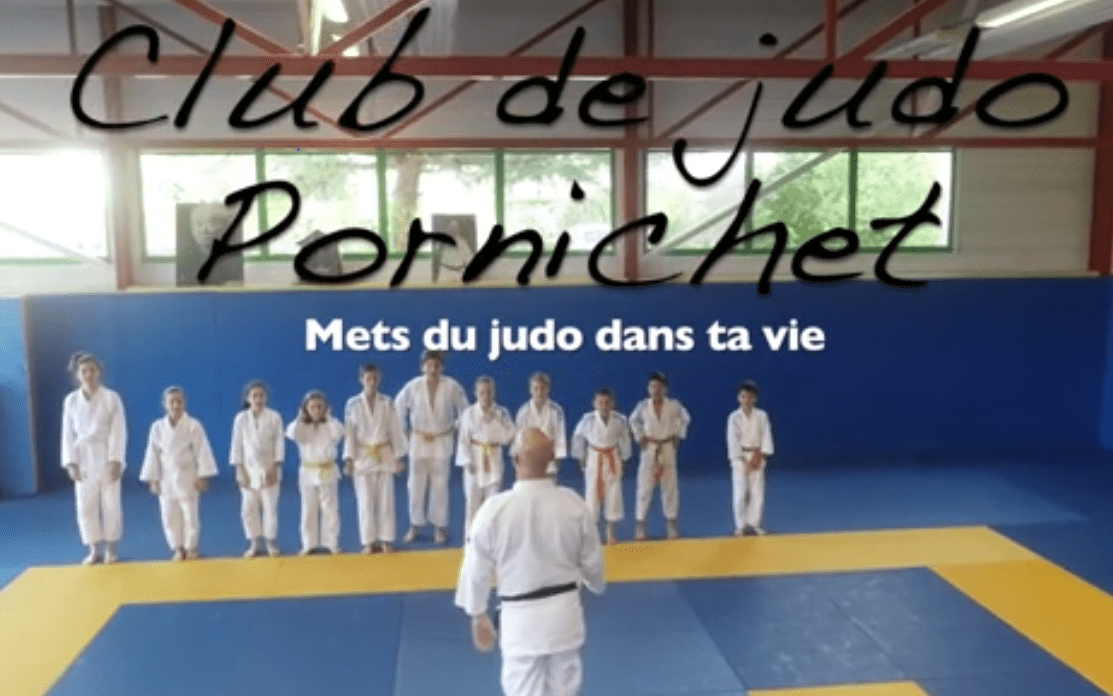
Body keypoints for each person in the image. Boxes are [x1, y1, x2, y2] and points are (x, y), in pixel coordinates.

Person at [454, 427, 606, 696]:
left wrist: (478, 614)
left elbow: (476, 570)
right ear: (551, 460)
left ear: (516, 460)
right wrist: (595, 584)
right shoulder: (574, 504)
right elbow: (593, 563)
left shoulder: (493, 511)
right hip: (564, 618)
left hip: (521, 625)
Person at [395, 350, 469, 545]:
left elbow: (465, 411)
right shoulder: (413, 386)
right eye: (429, 365)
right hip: (418, 440)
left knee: (440, 485)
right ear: (423, 367)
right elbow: (398, 408)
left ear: (442, 367)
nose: (433, 369)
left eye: (436, 365)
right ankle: (415, 524)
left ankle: (439, 527)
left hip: (442, 441)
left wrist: (455, 427)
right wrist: (404, 432)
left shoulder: (452, 386)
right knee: (415, 485)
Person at [61, 352, 127, 565]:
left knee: (111, 504)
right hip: (83, 458)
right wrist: (71, 463)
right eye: (84, 371)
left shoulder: (111, 398)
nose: (88, 374)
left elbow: (118, 431)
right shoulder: (71, 401)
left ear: (98, 372)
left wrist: (116, 459)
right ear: (78, 375)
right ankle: (94, 549)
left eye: (92, 370)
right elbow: (67, 434)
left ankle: (111, 549)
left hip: (105, 454)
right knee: (85, 505)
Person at [139, 386, 219, 561]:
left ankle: (191, 547)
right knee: (169, 516)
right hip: (166, 478)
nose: (176, 405)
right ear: (165, 404)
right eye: (172, 402)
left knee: (190, 515)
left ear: (184, 403)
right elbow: (152, 453)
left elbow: (202, 451)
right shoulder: (157, 427)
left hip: (188, 476)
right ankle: (177, 547)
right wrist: (153, 479)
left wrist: (202, 475)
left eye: (179, 401)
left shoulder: (194, 425)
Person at [343, 364, 408, 554]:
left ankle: (386, 540)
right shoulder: (353, 404)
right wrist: (349, 458)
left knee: (386, 500)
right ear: (361, 380)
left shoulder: (388, 402)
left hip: (384, 455)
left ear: (379, 380)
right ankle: (369, 541)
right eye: (368, 378)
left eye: (375, 378)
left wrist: (398, 456)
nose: (372, 382)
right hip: (363, 457)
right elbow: (350, 434)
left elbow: (395, 430)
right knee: (365, 501)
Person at [629, 373, 691, 541]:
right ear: (649, 389)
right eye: (653, 387)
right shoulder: (643, 406)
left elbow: (685, 418)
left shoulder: (674, 405)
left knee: (670, 487)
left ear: (665, 389)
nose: (656, 390)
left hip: (667, 447)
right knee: (644, 487)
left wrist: (678, 434)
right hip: (649, 449)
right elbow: (633, 421)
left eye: (659, 387)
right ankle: (640, 524)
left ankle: (671, 524)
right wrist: (639, 436)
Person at [456, 376, 516, 541]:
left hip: (494, 459)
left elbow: (510, 435)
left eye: (489, 392)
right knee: (472, 503)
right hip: (475, 461)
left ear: (494, 393)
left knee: (493, 503)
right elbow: (463, 440)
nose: (486, 396)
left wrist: (495, 420)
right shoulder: (468, 413)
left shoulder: (501, 413)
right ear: (476, 393)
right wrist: (467, 461)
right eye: (482, 392)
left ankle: (491, 540)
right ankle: (470, 539)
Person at [230, 380, 285, 558]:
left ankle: (270, 542)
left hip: (269, 468)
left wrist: (275, 466)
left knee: (270, 507)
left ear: (266, 398)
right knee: (249, 508)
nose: (258, 399)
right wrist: (240, 470)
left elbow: (279, 443)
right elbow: (236, 446)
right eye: (254, 396)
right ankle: (254, 542)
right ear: (248, 398)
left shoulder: (274, 417)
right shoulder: (241, 419)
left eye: (261, 395)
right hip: (249, 469)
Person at [286, 390, 346, 554]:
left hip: (327, 470)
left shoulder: (331, 425)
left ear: (325, 408)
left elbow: (340, 433)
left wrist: (329, 417)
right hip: (308, 472)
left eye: (320, 407)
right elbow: (291, 433)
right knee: (308, 509)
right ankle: (308, 543)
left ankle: (331, 542)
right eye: (312, 407)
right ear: (306, 409)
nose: (316, 410)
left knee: (330, 509)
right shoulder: (301, 427)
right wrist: (299, 418)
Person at [571, 389, 632, 546]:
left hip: (612, 457)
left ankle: (611, 532)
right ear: (595, 404)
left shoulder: (620, 420)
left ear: (612, 404)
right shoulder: (588, 420)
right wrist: (580, 457)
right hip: (594, 458)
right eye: (601, 403)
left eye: (607, 402)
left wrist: (624, 457)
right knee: (592, 495)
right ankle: (593, 534)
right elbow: (577, 437)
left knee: (614, 494)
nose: (604, 406)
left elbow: (625, 439)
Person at [727, 380, 775, 536]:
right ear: (739, 398)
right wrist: (743, 461)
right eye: (743, 397)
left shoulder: (762, 416)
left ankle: (756, 523)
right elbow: (733, 441)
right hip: (740, 457)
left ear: (755, 398)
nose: (746, 400)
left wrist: (760, 455)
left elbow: (766, 436)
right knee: (740, 491)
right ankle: (740, 525)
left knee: (757, 491)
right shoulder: (734, 417)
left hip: (757, 454)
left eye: (750, 397)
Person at [512, 373, 568, 485]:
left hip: (548, 461)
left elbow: (560, 436)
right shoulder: (524, 411)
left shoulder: (556, 410)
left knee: (548, 493)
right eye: (536, 388)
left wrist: (556, 460)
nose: (539, 392)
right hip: (528, 461)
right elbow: (518, 439)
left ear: (548, 389)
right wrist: (518, 463)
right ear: (530, 390)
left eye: (542, 388)